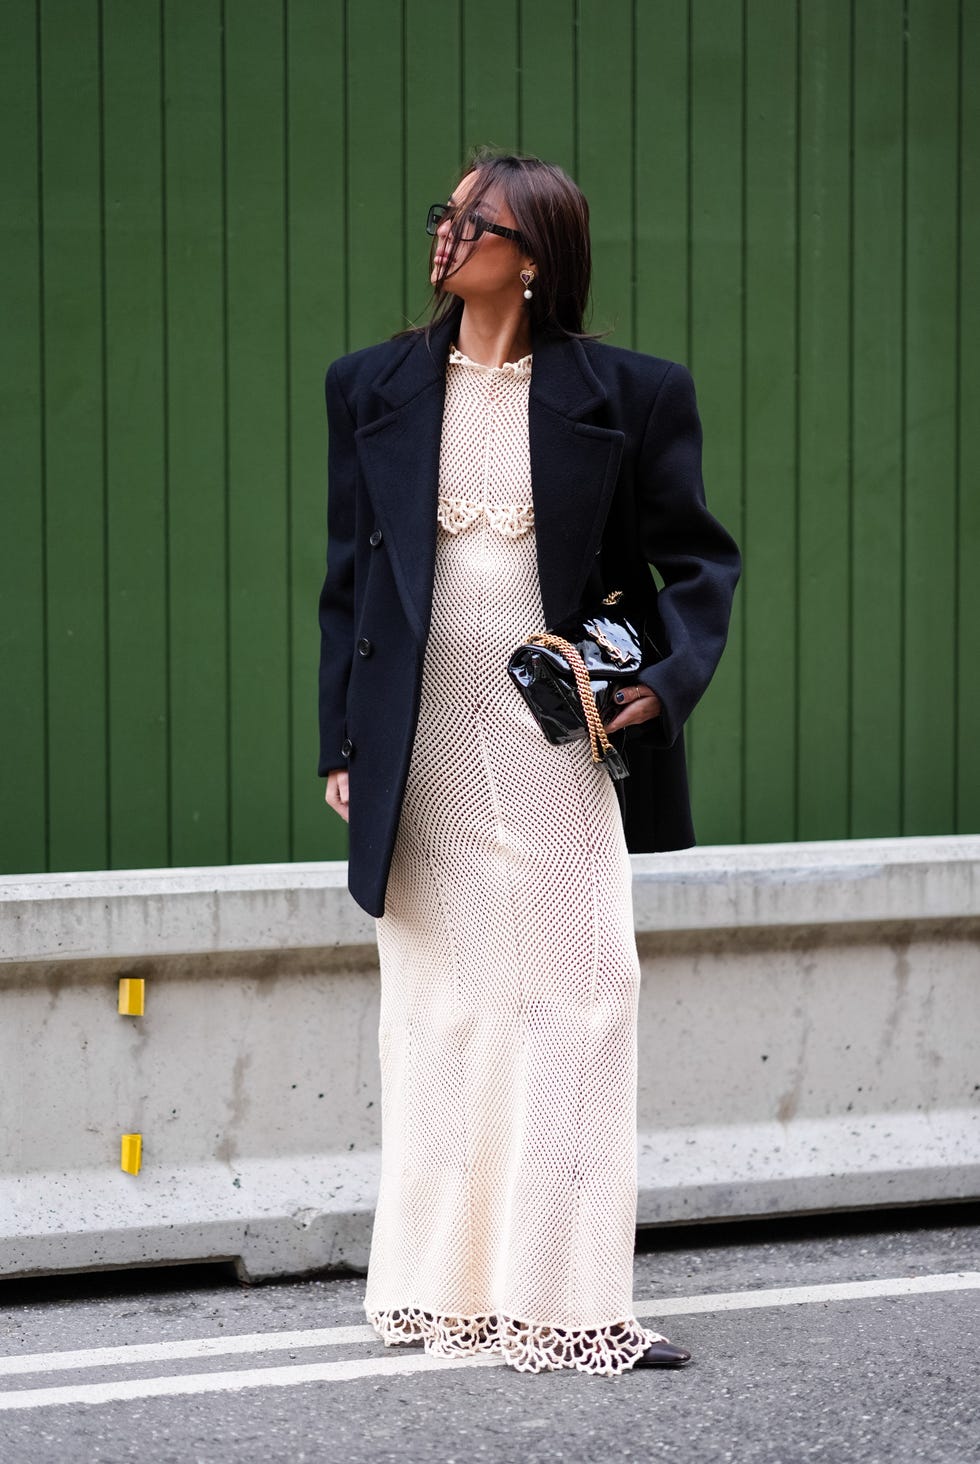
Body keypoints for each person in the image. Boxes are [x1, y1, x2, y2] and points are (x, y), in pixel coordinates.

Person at [317, 148, 741, 1377]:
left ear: (533, 254)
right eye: (443, 212)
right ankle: (451, 1292)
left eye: (474, 220)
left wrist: (659, 685)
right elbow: (350, 588)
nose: (447, 233)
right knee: (443, 1012)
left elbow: (695, 566)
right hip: (420, 732)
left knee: (581, 994)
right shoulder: (371, 386)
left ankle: (564, 1298)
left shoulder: (635, 393)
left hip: (558, 733)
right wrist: (345, 741)